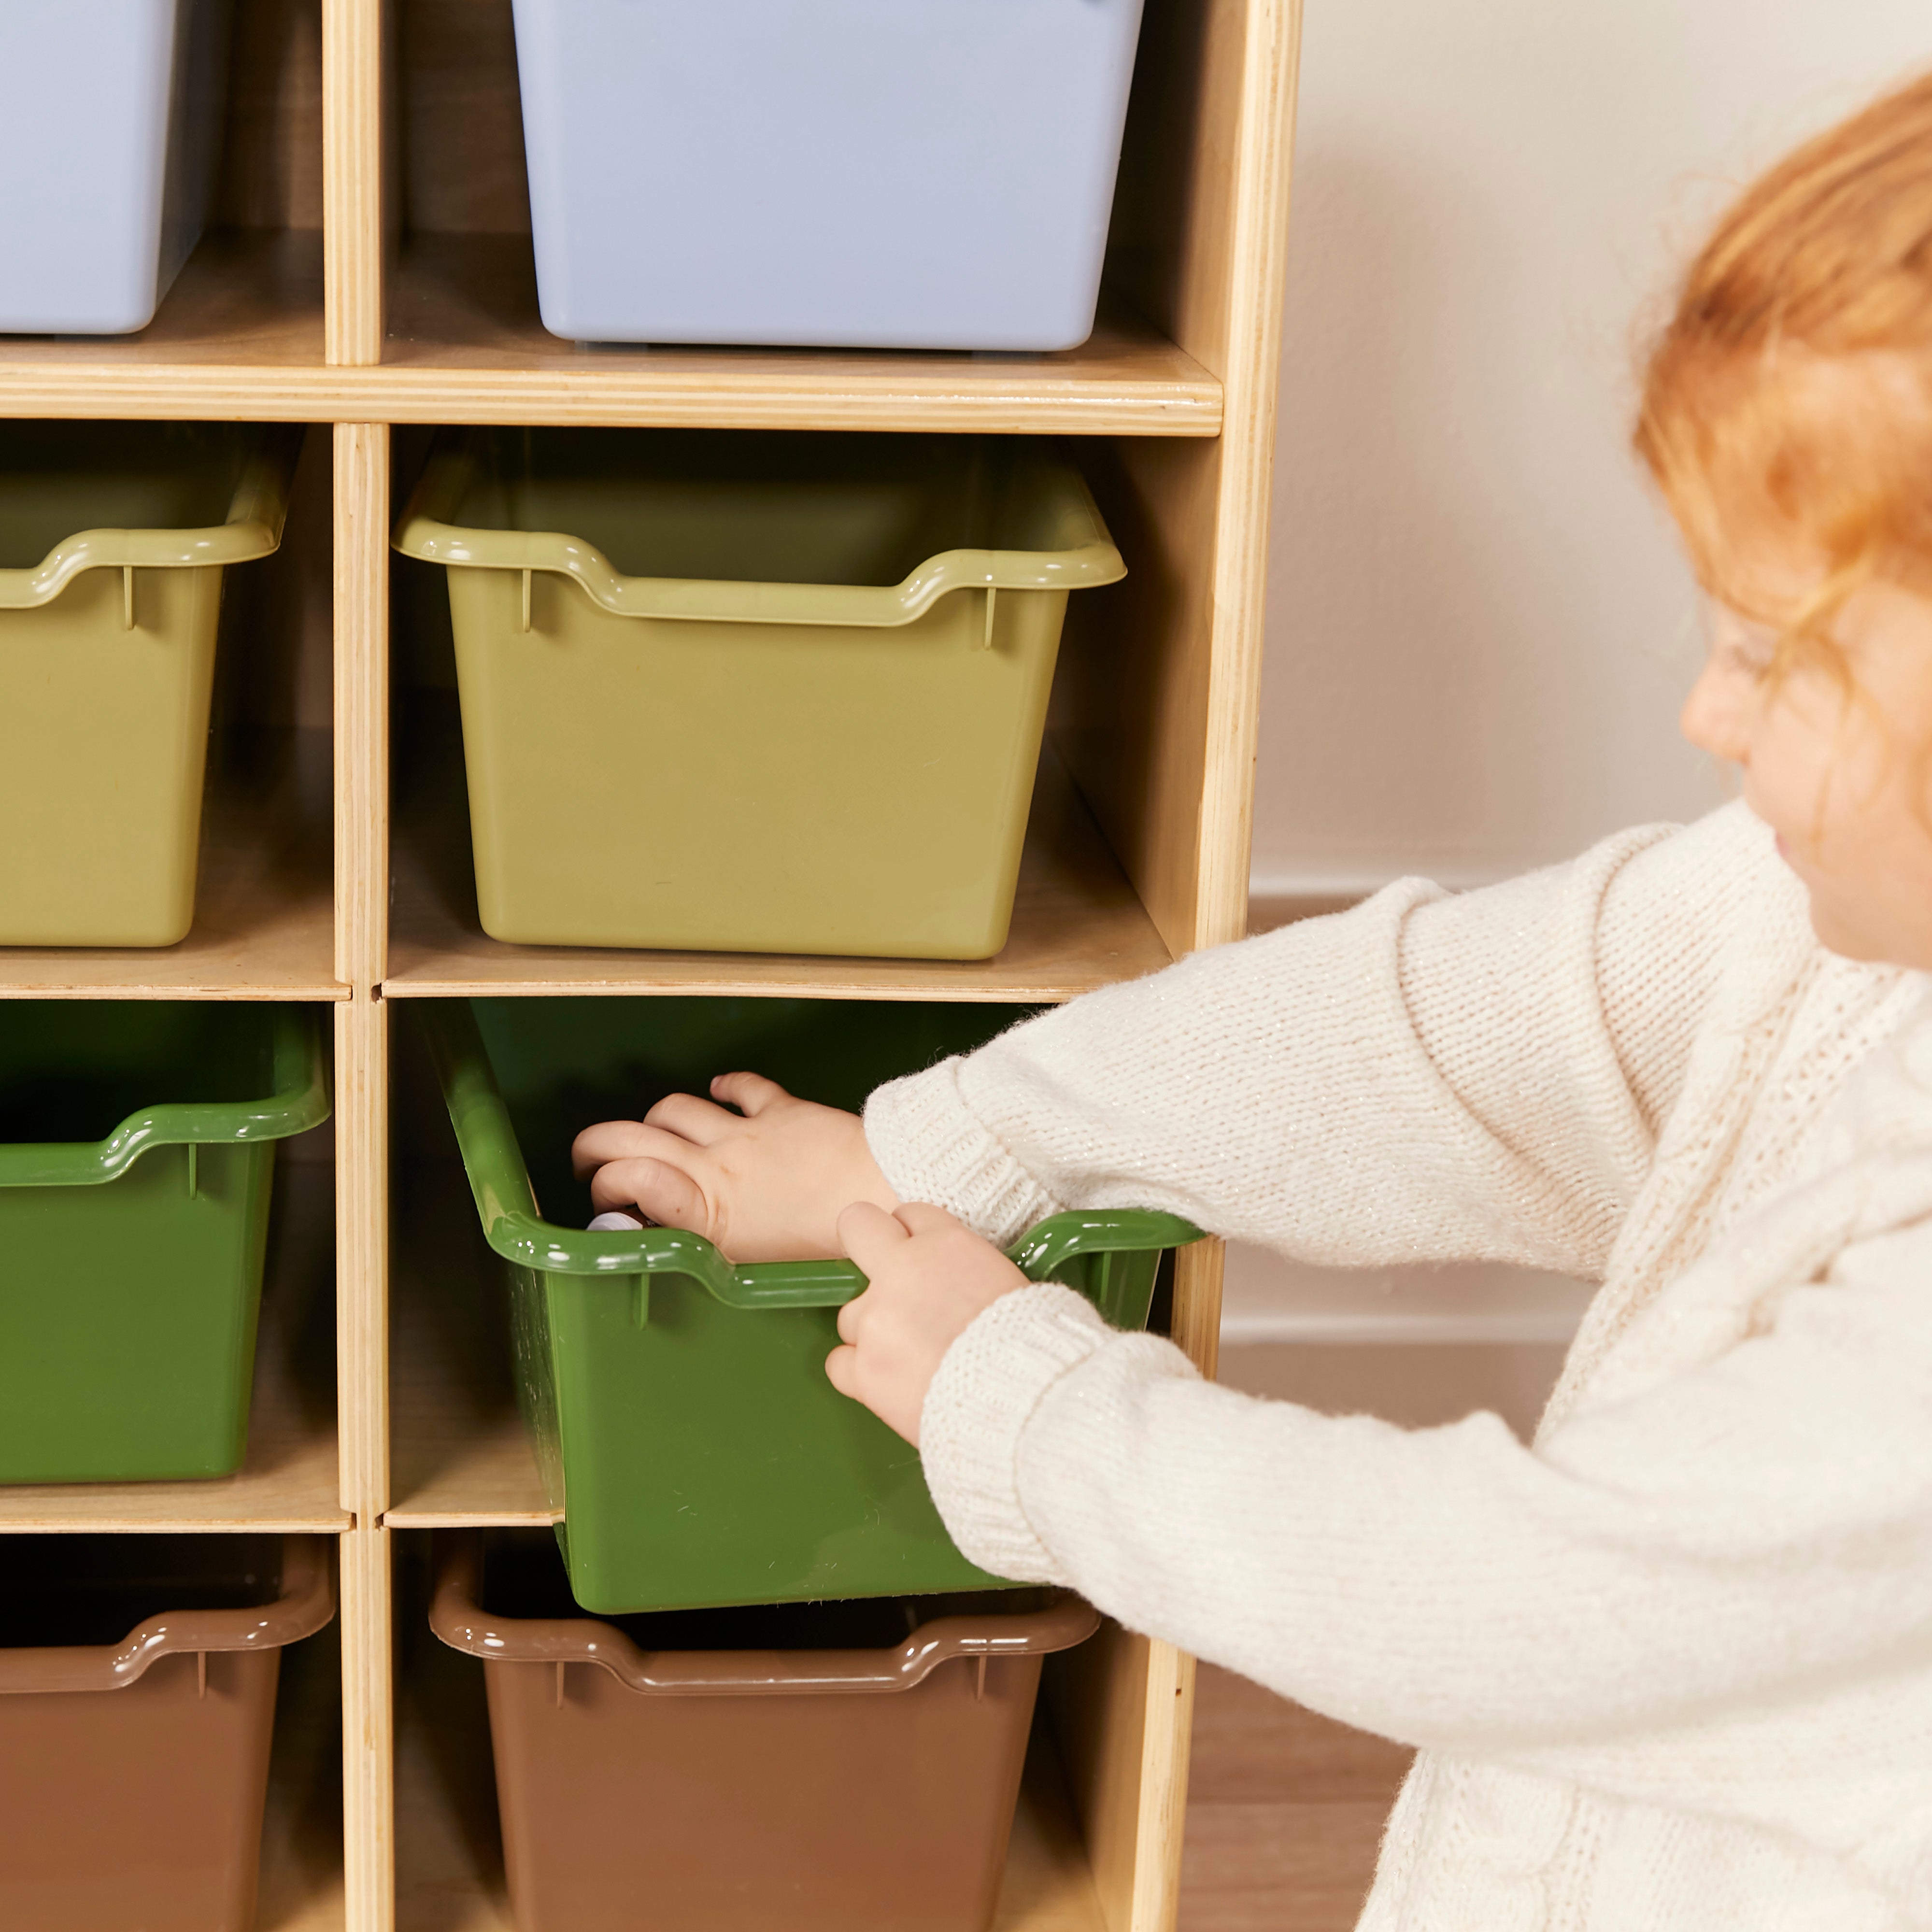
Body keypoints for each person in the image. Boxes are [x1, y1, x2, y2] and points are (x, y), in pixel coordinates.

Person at [571, 71, 1932, 1932]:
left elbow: (1514, 1604)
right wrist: (949, 1149)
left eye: (1775, 655)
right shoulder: (1820, 924)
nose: (1707, 709)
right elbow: (1432, 1034)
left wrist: (1026, 1406)